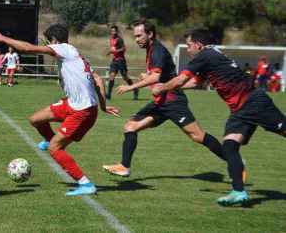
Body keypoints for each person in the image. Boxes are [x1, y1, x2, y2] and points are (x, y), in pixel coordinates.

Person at [152, 28, 286, 206]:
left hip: (254, 103)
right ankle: (238, 192)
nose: (189, 49)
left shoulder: (205, 55)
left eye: (190, 45)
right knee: (230, 146)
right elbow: (193, 83)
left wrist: (161, 87)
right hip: (240, 111)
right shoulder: (210, 55)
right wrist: (168, 86)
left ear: (199, 45)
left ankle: (238, 190)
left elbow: (180, 81)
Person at [0, 24, 120, 196]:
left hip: (82, 111)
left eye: (48, 42)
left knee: (54, 149)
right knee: (35, 120)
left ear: (55, 40)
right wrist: (102, 105)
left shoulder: (63, 49)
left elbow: (28, 48)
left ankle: (86, 184)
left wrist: (4, 38)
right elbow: (97, 79)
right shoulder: (75, 54)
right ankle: (52, 140)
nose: (47, 45)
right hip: (73, 104)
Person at [103, 19, 227, 178]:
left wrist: (131, 86)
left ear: (150, 34)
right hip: (160, 102)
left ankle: (233, 160)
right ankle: (124, 167)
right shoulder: (151, 50)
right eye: (135, 36)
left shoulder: (157, 51)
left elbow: (157, 77)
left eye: (140, 35)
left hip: (173, 101)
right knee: (130, 127)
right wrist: (146, 76)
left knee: (197, 136)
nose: (137, 39)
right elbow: (157, 75)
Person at [106, 25, 139, 100]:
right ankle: (108, 95)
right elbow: (113, 49)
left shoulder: (119, 39)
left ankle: (135, 89)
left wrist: (115, 51)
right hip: (114, 61)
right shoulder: (111, 39)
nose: (113, 32)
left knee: (125, 77)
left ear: (117, 31)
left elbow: (124, 49)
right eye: (112, 31)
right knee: (111, 76)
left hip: (121, 60)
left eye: (114, 31)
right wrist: (110, 52)